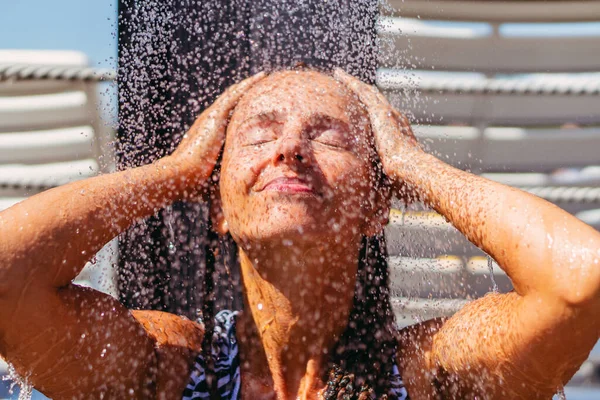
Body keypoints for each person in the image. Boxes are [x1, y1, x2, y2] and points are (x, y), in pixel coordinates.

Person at [0, 68, 598, 400]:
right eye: (259, 135)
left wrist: (414, 165)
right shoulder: (171, 369)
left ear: (374, 208)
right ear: (219, 208)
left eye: (330, 136)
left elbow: (581, 280)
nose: (289, 149)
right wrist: (174, 172)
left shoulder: (426, 376)